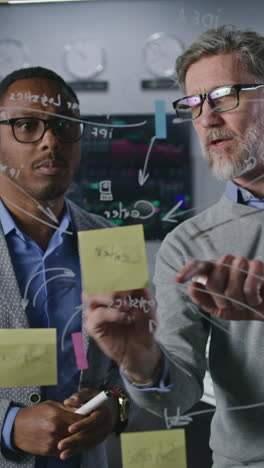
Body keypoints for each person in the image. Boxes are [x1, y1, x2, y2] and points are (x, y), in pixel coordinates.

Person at [83, 26, 264, 468]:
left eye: (223, 96)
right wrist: (142, 361)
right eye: (194, 104)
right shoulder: (187, 245)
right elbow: (178, 393)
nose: (207, 119)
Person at [0, 66, 132, 468]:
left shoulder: (111, 241)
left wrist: (113, 409)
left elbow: (132, 367)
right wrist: (9, 424)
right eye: (26, 125)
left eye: (64, 126)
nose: (50, 142)